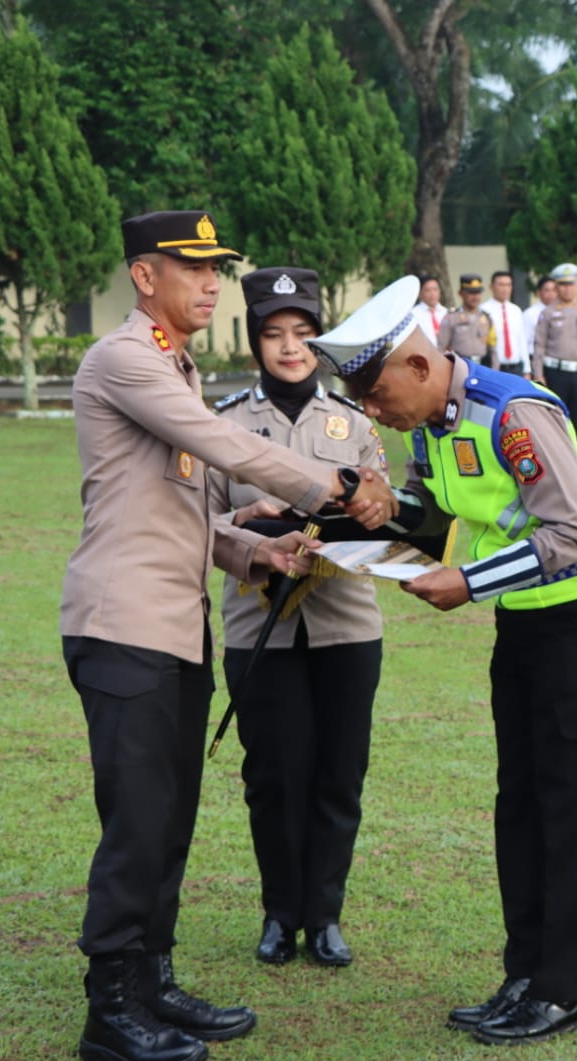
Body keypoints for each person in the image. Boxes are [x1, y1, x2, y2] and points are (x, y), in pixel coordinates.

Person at [61, 211, 396, 1061]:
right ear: (145, 278)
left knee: (168, 817)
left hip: (175, 628)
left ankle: (152, 980)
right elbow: (223, 446)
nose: (213, 283)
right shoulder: (127, 359)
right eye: (194, 268)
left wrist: (260, 549)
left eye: (218, 270)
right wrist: (339, 482)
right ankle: (111, 1009)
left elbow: (192, 524)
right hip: (124, 624)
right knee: (138, 820)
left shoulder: (171, 364)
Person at [308, 275, 577, 1048]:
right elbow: (446, 514)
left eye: (374, 389)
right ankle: (524, 975)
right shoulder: (429, 425)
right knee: (519, 808)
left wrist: (468, 581)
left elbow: (566, 536)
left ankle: (564, 990)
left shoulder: (513, 413)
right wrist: (387, 510)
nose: (369, 409)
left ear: (419, 367)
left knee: (569, 811)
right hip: (525, 629)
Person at [208, 267, 387, 970]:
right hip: (260, 631)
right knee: (275, 777)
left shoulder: (357, 421)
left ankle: (326, 914)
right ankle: (280, 913)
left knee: (338, 774)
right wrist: (254, 531)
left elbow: (387, 513)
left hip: (345, 624)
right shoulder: (220, 423)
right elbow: (200, 521)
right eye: (274, 334)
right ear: (254, 341)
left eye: (303, 333)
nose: (289, 347)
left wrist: (358, 523)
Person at [532, 263, 577, 437]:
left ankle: (575, 459)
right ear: (556, 287)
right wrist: (538, 374)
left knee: (576, 418)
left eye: (571, 284)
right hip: (555, 372)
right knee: (554, 418)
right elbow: (539, 345)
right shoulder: (547, 313)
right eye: (563, 284)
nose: (567, 289)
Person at [437, 274, 496, 368]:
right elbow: (441, 348)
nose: (475, 296)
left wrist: (495, 371)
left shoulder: (486, 317)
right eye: (471, 293)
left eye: (478, 292)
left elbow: (493, 349)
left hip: (483, 366)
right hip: (460, 366)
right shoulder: (451, 317)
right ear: (461, 293)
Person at [481, 270, 529, 376]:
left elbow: (521, 340)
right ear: (491, 287)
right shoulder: (483, 310)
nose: (505, 289)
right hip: (493, 368)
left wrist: (527, 369)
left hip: (516, 368)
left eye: (508, 285)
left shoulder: (516, 310)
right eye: (501, 285)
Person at [522, 276, 557, 364]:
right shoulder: (530, 314)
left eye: (554, 290)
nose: (551, 294)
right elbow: (524, 343)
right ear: (539, 292)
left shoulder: (561, 312)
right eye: (547, 290)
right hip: (535, 359)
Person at [412, 275, 450, 345]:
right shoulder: (413, 315)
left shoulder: (446, 312)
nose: (432, 293)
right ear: (420, 294)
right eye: (428, 290)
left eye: (435, 289)